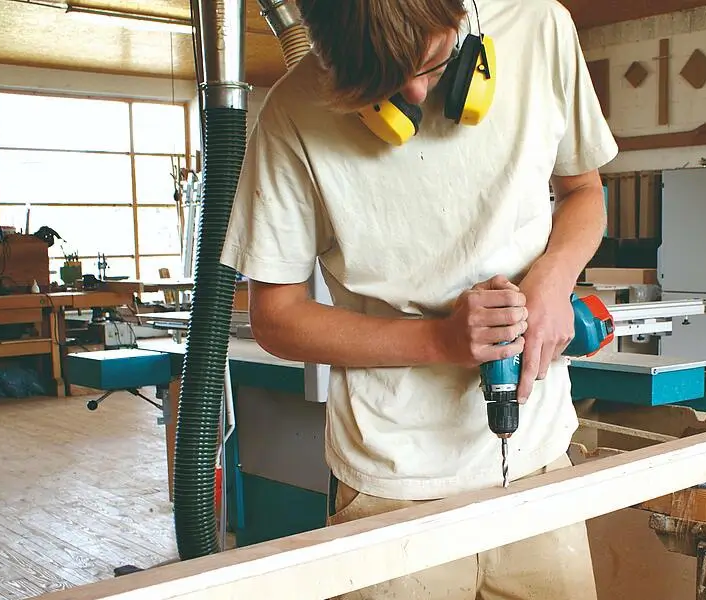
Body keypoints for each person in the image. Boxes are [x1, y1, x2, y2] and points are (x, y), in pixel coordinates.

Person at [220, 0, 618, 596]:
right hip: (392, 482)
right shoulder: (293, 112)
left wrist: (554, 277)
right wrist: (438, 340)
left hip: (538, 466)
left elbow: (584, 190)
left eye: (432, 61)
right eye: (380, 77)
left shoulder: (540, 28)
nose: (412, 91)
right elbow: (275, 316)